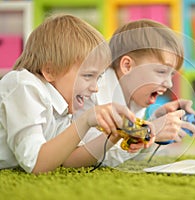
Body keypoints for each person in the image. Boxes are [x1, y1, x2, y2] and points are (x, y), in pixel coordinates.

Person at [0, 14, 152, 174]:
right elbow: (37, 163)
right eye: (88, 76)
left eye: (98, 78)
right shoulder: (24, 86)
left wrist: (115, 135)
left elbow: (68, 160)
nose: (95, 88)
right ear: (50, 71)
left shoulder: (62, 109)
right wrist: (85, 120)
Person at [83, 19, 195, 167]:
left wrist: (152, 123)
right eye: (162, 71)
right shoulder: (93, 92)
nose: (169, 84)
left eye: (171, 75)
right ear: (127, 66)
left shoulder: (134, 95)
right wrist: (150, 130)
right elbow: (97, 158)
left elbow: (129, 155)